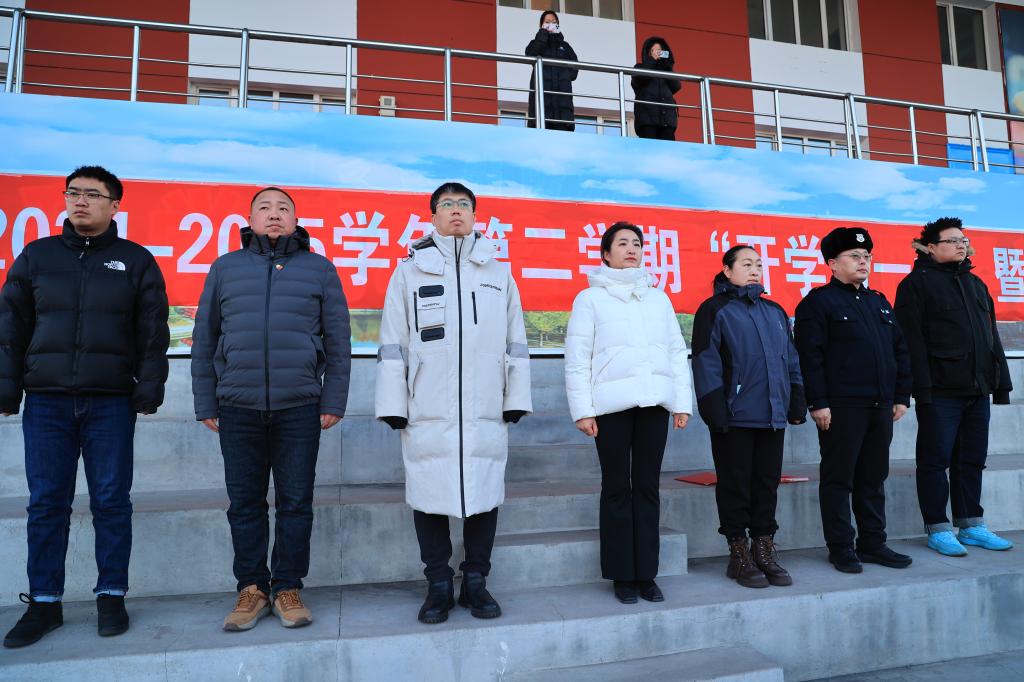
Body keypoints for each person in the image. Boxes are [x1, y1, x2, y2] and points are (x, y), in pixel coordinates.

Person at [0, 166, 169, 648]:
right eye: (73, 193)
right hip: (47, 401)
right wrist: (7, 389)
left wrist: (148, 387)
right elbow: (10, 328)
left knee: (111, 501)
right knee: (46, 503)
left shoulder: (135, 261)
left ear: (114, 205)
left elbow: (152, 331)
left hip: (110, 402)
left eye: (92, 195)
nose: (80, 201)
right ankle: (44, 603)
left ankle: (111, 596)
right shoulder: (37, 256)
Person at [191, 186, 351, 631]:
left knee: (296, 502)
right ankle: (251, 588)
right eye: (264, 207)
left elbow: (339, 341)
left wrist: (333, 399)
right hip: (237, 406)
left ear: (296, 220)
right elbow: (205, 338)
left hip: (299, 406)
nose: (274, 214)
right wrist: (206, 400)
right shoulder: (225, 268)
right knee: (245, 503)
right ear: (250, 219)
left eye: (283, 208)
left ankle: (287, 587)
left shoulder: (319, 270)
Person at [375, 182, 532, 624]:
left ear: (476, 216)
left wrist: (516, 396)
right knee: (428, 494)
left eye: (464, 204)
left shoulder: (498, 274)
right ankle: (438, 584)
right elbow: (393, 342)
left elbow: (516, 341)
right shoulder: (409, 273)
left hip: (486, 405)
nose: (456, 211)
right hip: (428, 406)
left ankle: (476, 580)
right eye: (447, 204)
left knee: (485, 493)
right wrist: (393, 402)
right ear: (433, 217)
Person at [564, 222, 691, 604]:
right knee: (618, 487)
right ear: (606, 253)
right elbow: (577, 358)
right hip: (610, 409)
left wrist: (681, 403)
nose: (631, 248)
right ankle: (622, 574)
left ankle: (646, 574)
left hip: (653, 405)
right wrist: (582, 411)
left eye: (636, 243)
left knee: (648, 487)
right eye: (622, 243)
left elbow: (675, 352)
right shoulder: (590, 299)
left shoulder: (658, 299)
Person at [794, 227, 914, 574]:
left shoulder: (878, 301)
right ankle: (841, 547)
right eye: (854, 256)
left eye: (867, 256)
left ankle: (873, 543)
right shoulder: (818, 303)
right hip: (842, 407)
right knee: (839, 479)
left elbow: (900, 351)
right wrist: (818, 402)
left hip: (881, 405)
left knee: (873, 478)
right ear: (832, 263)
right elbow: (810, 357)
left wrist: (900, 396)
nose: (863, 262)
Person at [894, 217, 1014, 557]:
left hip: (977, 389)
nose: (961, 245)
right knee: (934, 461)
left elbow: (991, 337)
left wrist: (999, 384)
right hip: (940, 391)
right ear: (931, 247)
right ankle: (938, 527)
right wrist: (921, 389)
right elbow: (910, 342)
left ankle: (971, 524)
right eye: (952, 240)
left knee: (972, 459)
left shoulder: (975, 283)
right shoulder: (915, 285)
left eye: (964, 240)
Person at [691, 245, 806, 589]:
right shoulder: (715, 309)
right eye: (746, 264)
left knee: (766, 485)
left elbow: (791, 359)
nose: (755, 269)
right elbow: (706, 360)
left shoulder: (775, 311)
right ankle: (738, 554)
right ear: (727, 271)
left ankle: (764, 550)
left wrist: (796, 400)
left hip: (772, 414)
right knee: (735, 485)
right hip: (735, 415)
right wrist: (714, 409)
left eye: (758, 264)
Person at [525, 10, 578, 132]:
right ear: (541, 25)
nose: (551, 24)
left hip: (563, 111)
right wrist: (543, 34)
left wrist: (563, 74)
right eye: (547, 22)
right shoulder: (536, 43)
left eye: (554, 22)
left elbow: (574, 71)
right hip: (542, 109)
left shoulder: (565, 46)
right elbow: (530, 54)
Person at [631, 36, 681, 140]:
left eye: (660, 50)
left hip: (667, 121)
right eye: (654, 50)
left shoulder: (666, 70)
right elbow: (638, 79)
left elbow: (676, 86)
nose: (657, 52)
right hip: (647, 120)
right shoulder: (639, 67)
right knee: (649, 148)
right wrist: (652, 60)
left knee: (667, 149)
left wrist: (667, 66)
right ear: (648, 53)